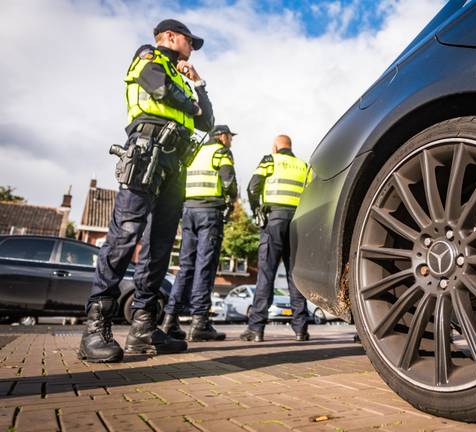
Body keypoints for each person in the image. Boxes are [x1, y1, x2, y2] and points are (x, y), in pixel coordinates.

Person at [78, 19, 214, 362]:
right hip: (146, 150)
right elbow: (159, 89)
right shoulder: (148, 57)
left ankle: (143, 327)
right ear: (169, 37)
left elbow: (206, 123)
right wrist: (190, 102)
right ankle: (94, 329)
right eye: (189, 41)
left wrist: (199, 85)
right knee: (125, 234)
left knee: (160, 245)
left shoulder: (181, 75)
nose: (192, 48)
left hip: (173, 161)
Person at [160, 125, 238, 342]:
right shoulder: (221, 152)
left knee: (186, 267)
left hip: (188, 212)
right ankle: (200, 323)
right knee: (205, 265)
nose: (231, 141)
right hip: (209, 212)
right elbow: (228, 179)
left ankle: (170, 320)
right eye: (230, 136)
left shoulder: (195, 153)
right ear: (222, 136)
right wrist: (232, 199)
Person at [240, 135, 312, 342]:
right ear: (291, 146)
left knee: (266, 272)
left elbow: (253, 187)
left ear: (275, 147)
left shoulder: (270, 160)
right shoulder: (303, 165)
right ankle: (301, 330)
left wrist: (256, 210)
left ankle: (256, 329)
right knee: (294, 275)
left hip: (274, 219)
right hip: (297, 221)